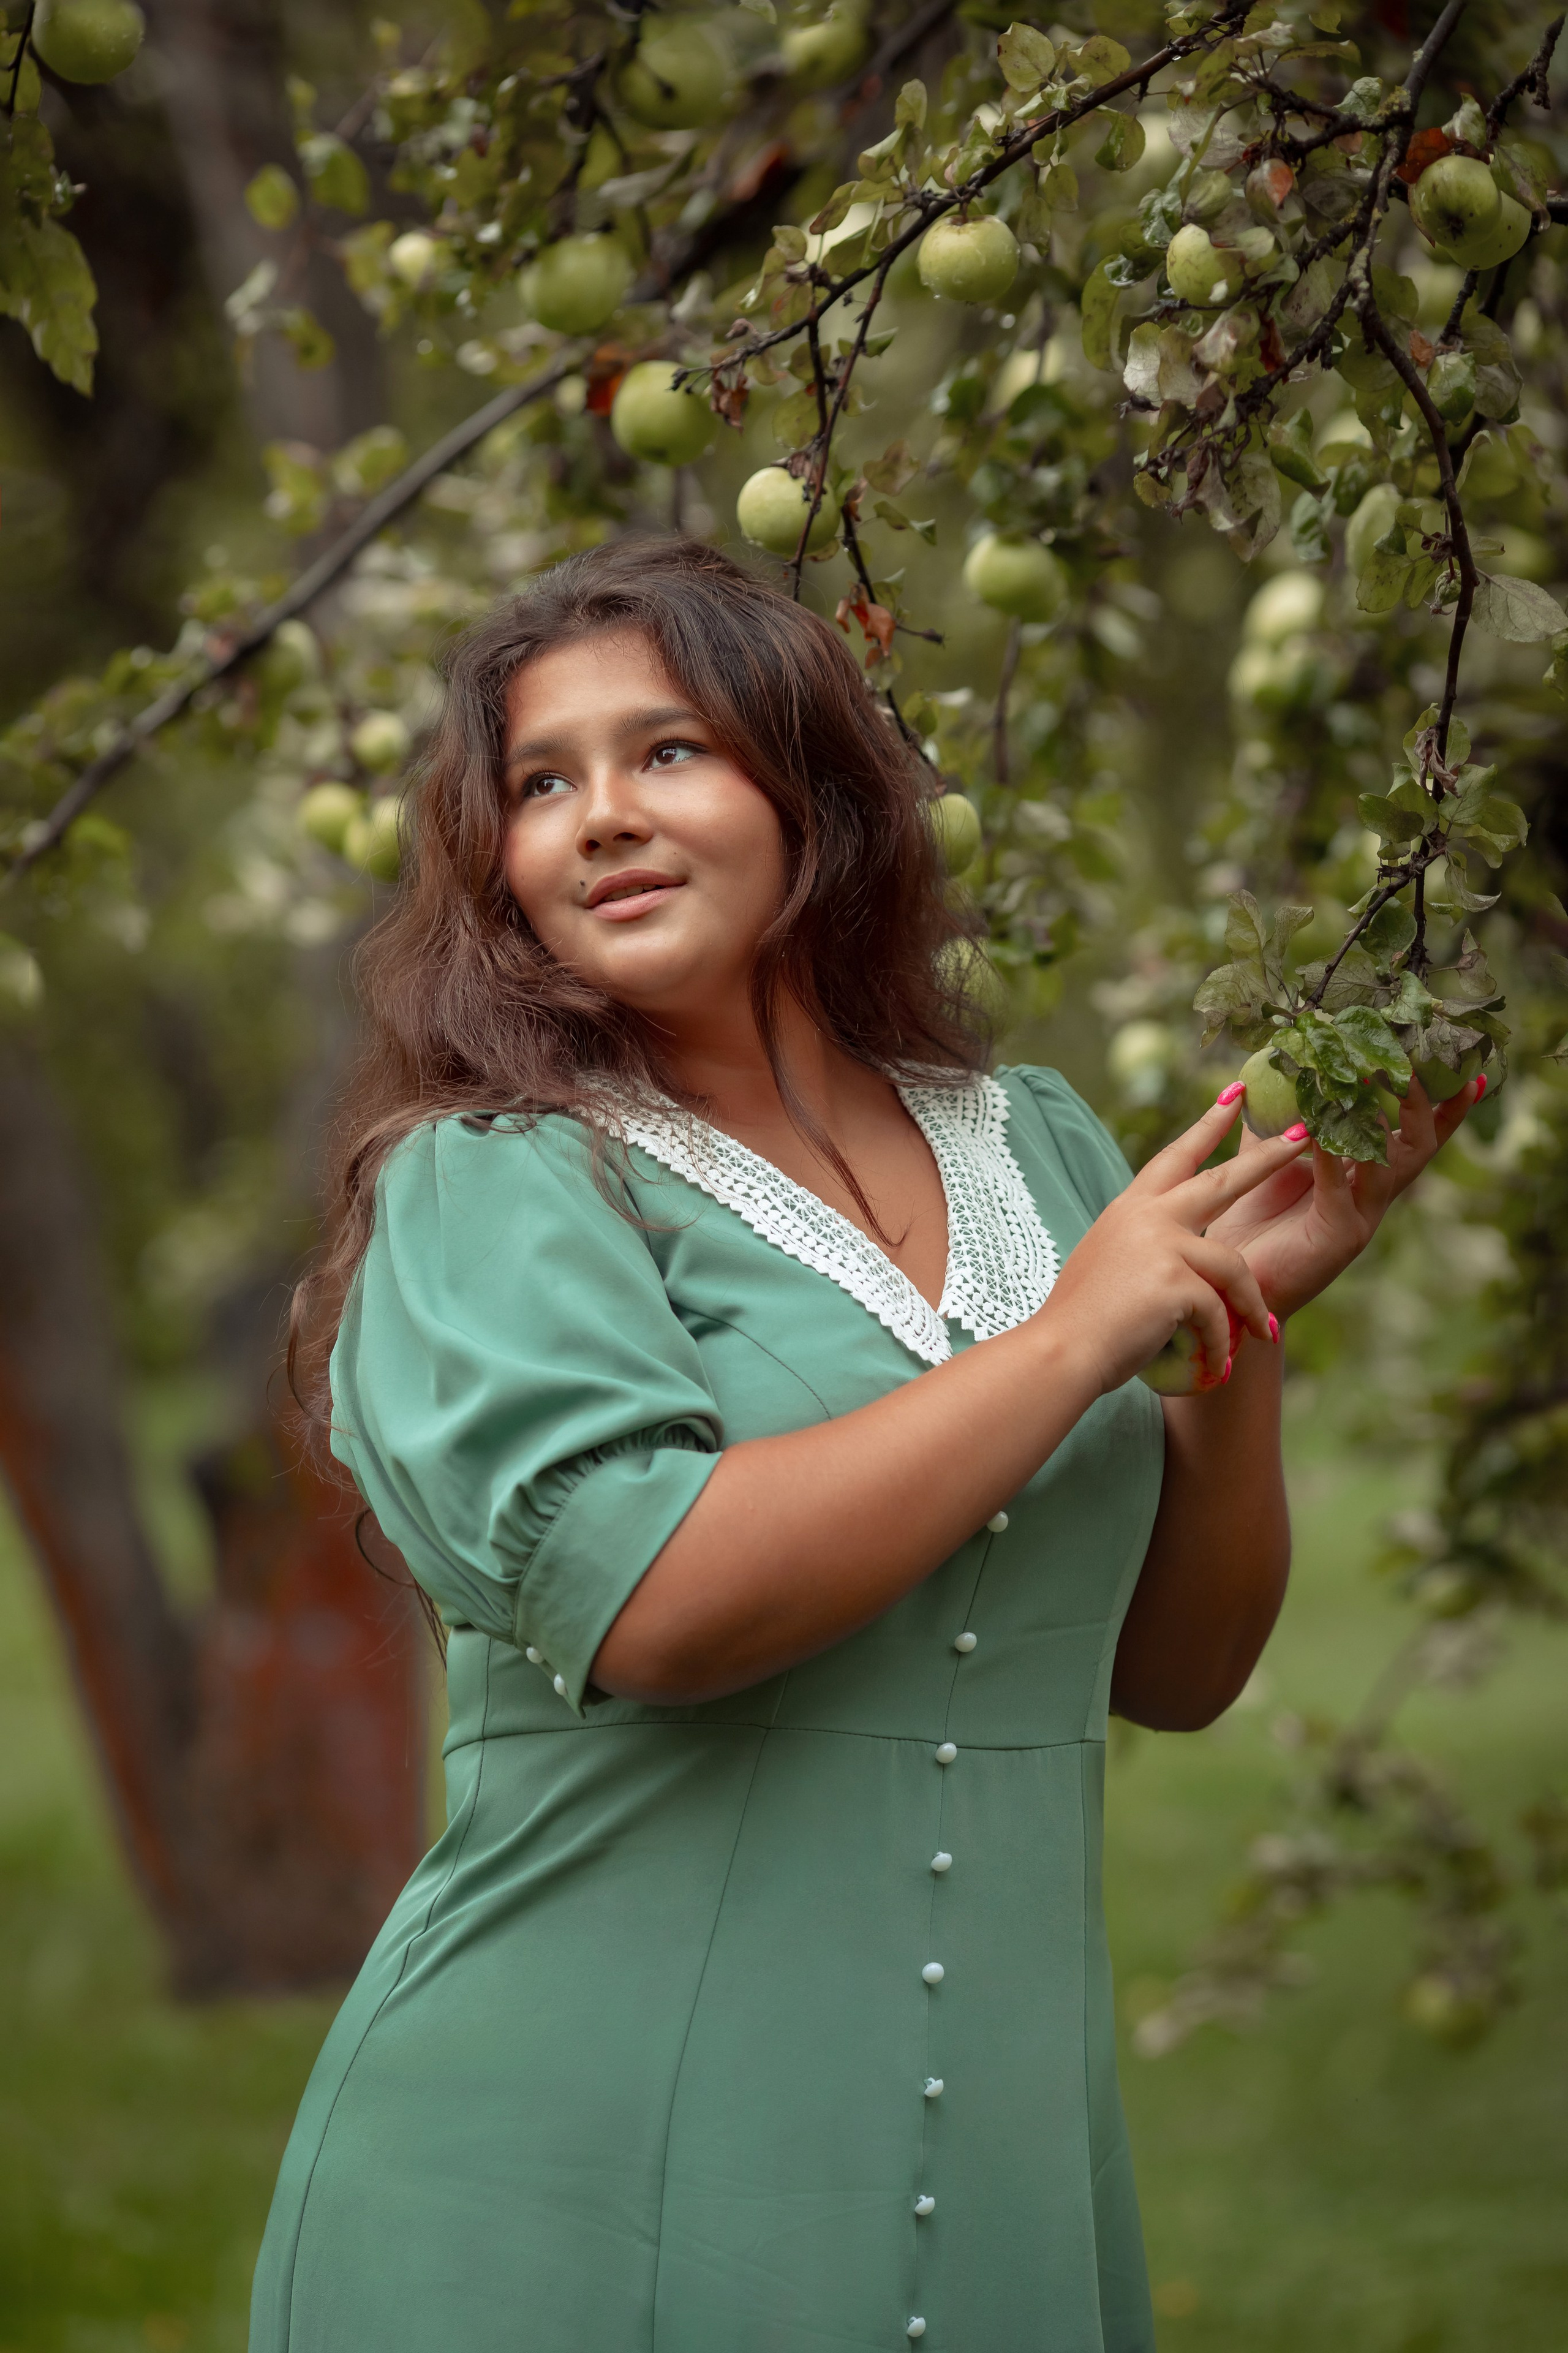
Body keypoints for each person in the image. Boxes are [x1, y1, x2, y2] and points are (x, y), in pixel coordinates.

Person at [251, 537, 1479, 2353]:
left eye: (666, 751)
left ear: (813, 787)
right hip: (558, 2192)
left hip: (989, 2197)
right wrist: (1076, 1337)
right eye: (540, 782)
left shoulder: (1037, 1141)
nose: (600, 815)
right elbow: (650, 1593)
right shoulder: (495, 1176)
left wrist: (1224, 1344)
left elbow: (1175, 1667)